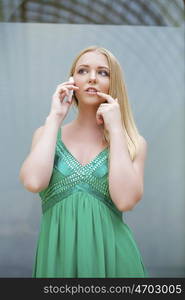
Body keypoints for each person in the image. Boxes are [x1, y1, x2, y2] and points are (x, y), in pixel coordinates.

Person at [19, 45, 148, 278]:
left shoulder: (133, 143)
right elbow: (33, 182)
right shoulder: (46, 133)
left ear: (113, 82)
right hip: (57, 262)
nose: (91, 78)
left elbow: (126, 201)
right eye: (83, 71)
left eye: (103, 72)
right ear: (72, 81)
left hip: (116, 263)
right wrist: (55, 117)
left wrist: (116, 129)